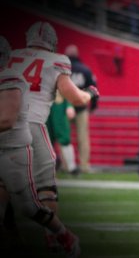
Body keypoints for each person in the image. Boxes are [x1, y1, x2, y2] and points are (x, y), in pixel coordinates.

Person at [8, 21, 99, 252]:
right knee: (45, 187)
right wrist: (88, 94)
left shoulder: (12, 56)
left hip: (5, 125)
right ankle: (56, 237)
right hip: (32, 125)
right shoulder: (56, 61)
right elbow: (75, 98)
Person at [0, 34, 82, 257]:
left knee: (29, 206)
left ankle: (62, 235)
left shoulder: (11, 78)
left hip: (14, 147)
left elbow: (6, 120)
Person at [64, 44, 97, 173]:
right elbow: (93, 89)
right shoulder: (85, 69)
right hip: (81, 107)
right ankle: (84, 165)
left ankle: (67, 165)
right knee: (83, 138)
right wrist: (93, 106)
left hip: (64, 107)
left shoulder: (61, 69)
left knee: (65, 137)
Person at [46, 91, 79, 175]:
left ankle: (71, 167)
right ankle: (48, 167)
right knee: (45, 140)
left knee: (64, 137)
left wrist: (69, 105)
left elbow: (65, 86)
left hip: (57, 105)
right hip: (42, 105)